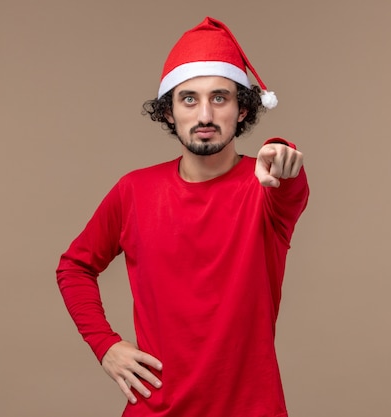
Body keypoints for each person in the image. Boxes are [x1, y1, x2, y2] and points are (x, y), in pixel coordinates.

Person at [56, 16, 310, 417]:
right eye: (189, 99)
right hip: (156, 409)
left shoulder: (264, 189)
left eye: (220, 98)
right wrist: (105, 345)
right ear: (169, 112)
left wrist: (279, 152)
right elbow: (74, 267)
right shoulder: (134, 191)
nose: (204, 115)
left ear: (242, 109)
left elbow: (287, 179)